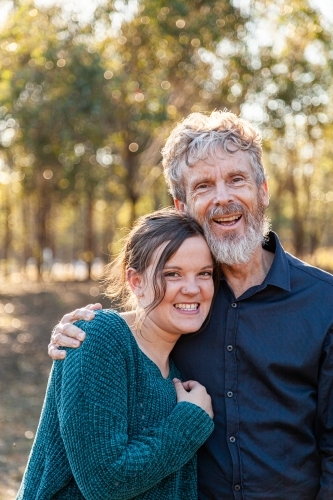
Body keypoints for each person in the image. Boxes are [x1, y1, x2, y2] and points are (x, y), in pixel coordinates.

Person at [49, 110, 333, 500]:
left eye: (236, 179)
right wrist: (76, 332)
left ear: (263, 190)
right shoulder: (180, 301)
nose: (223, 197)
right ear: (181, 205)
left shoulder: (324, 301)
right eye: (203, 186)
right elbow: (127, 337)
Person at [18, 209, 216, 499]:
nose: (192, 288)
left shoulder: (178, 371)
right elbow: (105, 482)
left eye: (204, 274)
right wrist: (189, 422)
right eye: (172, 274)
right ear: (135, 281)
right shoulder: (99, 336)